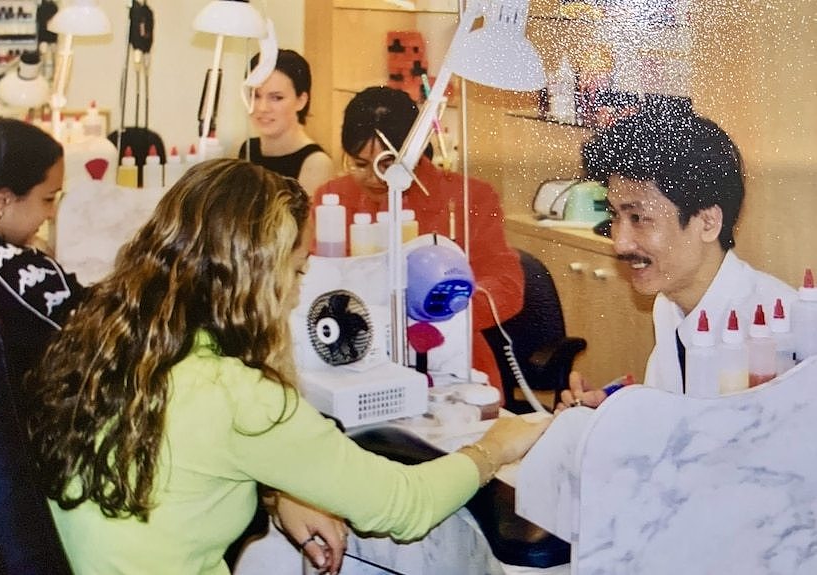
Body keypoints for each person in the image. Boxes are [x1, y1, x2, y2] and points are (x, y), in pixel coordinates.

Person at [28, 159, 549, 575]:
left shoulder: (107, 339)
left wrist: (279, 494)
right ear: (258, 277)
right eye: (297, 270)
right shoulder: (241, 397)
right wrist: (495, 445)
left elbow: (181, 465)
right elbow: (404, 506)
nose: (299, 291)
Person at [559, 105, 796, 409]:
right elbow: (676, 413)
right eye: (615, 215)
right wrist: (610, 407)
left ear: (708, 222)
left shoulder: (777, 328)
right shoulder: (670, 303)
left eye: (639, 218)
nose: (620, 243)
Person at [313, 86, 524, 394]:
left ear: (414, 150)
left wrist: (442, 307)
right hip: (355, 360)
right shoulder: (332, 199)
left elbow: (507, 284)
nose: (374, 177)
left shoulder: (469, 198)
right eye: (360, 164)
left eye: (387, 164)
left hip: (447, 363)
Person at [0, 118, 85, 408]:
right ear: (2, 202)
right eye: (48, 199)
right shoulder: (15, 270)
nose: (51, 214)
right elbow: (98, 331)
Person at [239, 49, 334, 194]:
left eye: (276, 98)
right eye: (256, 96)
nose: (263, 108)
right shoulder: (247, 148)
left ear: (301, 100)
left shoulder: (316, 163)